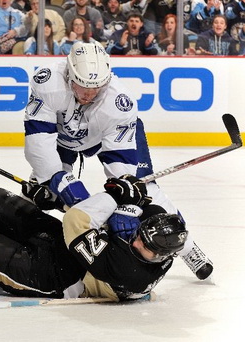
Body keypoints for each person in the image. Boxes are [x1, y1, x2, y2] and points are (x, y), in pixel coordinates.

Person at [20, 40, 213, 280]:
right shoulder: (48, 82)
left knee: (145, 189)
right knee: (41, 192)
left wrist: (127, 203)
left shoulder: (120, 102)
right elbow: (38, 140)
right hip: (62, 140)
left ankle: (187, 247)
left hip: (104, 137)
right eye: (82, 87)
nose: (89, 94)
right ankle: (16, 241)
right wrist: (55, 178)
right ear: (69, 74)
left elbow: (121, 170)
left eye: (96, 87)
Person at [0, 174, 187, 301]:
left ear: (162, 258)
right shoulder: (155, 230)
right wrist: (57, 201)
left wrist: (117, 198)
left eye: (146, 248)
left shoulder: (130, 272)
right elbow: (129, 205)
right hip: (60, 243)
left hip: (52, 275)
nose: (137, 243)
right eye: (141, 236)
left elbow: (77, 221)